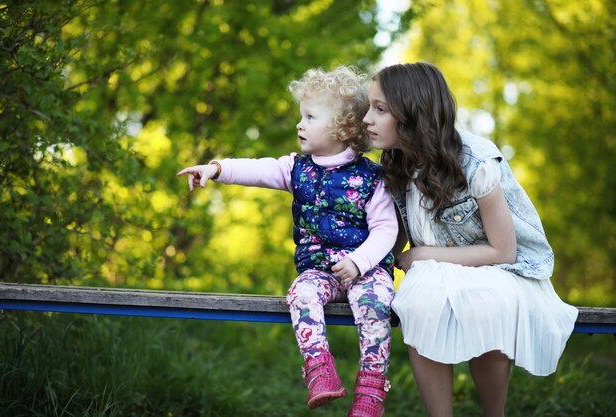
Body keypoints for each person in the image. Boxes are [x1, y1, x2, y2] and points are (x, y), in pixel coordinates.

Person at [177, 66, 396, 417]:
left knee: (375, 302)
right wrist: (215, 169)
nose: (300, 124)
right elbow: (256, 169)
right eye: (301, 115)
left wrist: (359, 262)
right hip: (321, 272)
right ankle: (320, 370)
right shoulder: (297, 168)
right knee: (300, 292)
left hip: (365, 270)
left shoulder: (371, 177)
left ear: (344, 127)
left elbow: (386, 228)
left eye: (310, 116)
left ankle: (371, 389)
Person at [363, 62, 578, 417]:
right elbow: (394, 236)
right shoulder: (395, 163)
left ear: (413, 112)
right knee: (419, 301)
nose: (367, 118)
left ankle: (494, 414)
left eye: (380, 109)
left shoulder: (476, 161)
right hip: (437, 271)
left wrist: (424, 254)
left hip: (502, 269)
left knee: (487, 302)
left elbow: (503, 250)